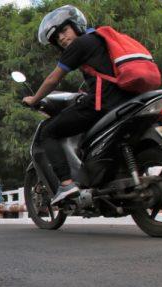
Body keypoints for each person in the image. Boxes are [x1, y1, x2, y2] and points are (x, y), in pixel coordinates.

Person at [23, 5, 134, 205]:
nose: (63, 39)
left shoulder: (81, 44)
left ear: (76, 25)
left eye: (64, 31)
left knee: (48, 131)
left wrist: (34, 99)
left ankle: (66, 183)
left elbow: (52, 80)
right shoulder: (101, 39)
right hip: (126, 99)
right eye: (57, 38)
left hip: (103, 103)